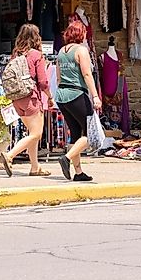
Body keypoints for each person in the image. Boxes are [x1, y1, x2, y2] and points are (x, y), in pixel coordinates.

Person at [0, 24, 50, 177]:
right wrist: (50, 96)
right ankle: (9, 155)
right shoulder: (36, 55)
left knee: (31, 133)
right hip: (31, 98)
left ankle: (35, 167)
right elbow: (42, 81)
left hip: (17, 99)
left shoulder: (16, 54)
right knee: (36, 134)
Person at [55, 19, 101, 182]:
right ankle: (66, 158)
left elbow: (58, 78)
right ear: (81, 34)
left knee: (75, 134)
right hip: (77, 94)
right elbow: (87, 74)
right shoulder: (81, 50)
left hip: (62, 96)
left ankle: (79, 172)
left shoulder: (61, 52)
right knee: (90, 133)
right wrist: (95, 96)